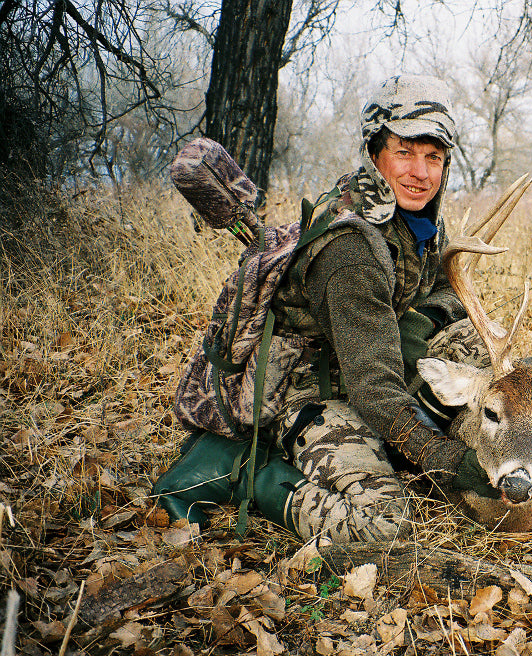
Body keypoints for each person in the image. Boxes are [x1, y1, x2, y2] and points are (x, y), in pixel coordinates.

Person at [155, 75, 494, 542]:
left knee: (479, 349)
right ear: (375, 155)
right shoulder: (352, 249)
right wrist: (444, 458)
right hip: (308, 391)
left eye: (433, 157)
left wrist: (419, 324)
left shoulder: (416, 219)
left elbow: (443, 291)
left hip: (360, 361)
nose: (421, 172)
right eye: (405, 152)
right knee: (383, 525)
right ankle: (242, 472)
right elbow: (374, 389)